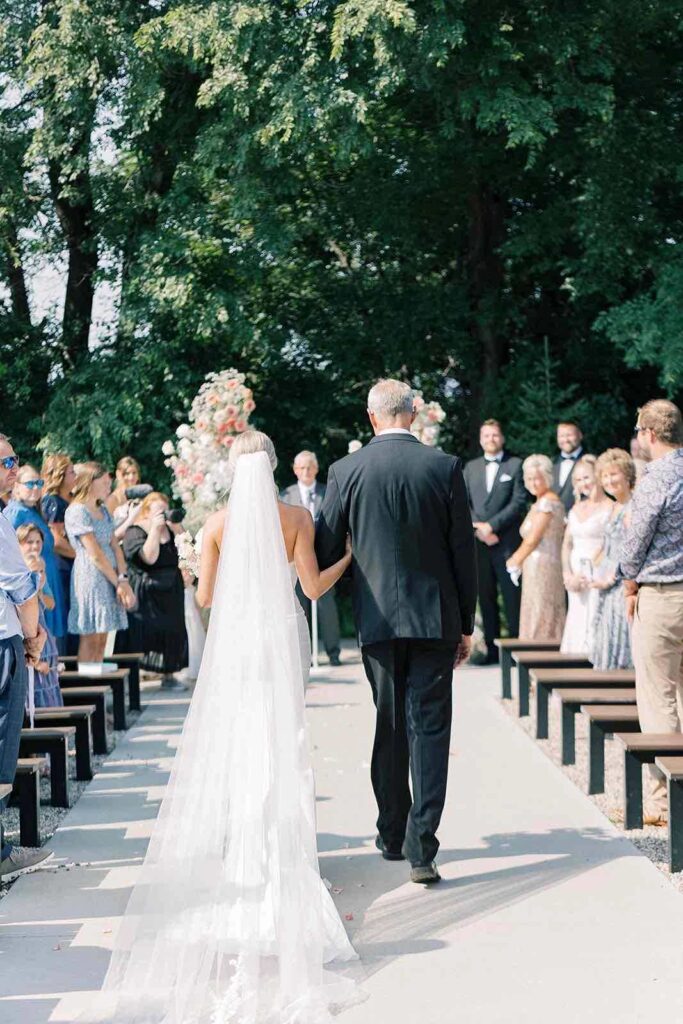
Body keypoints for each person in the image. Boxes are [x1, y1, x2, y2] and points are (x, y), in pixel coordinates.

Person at [85, 430, 359, 1024]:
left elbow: (206, 595)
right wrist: (348, 558)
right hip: (281, 639)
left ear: (235, 470)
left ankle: (244, 858)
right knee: (283, 745)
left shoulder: (214, 525)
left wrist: (203, 570)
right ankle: (288, 860)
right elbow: (311, 588)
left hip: (237, 645)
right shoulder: (294, 519)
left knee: (240, 745)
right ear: (275, 464)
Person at [316, 379, 477, 884]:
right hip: (435, 620)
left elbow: (325, 549)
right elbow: (462, 553)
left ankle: (391, 831)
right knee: (429, 728)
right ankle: (421, 845)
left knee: (389, 723)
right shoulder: (444, 467)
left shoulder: (346, 470)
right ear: (415, 413)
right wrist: (466, 624)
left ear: (371, 418)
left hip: (377, 620)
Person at [619, 399, 683, 825]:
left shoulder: (655, 477)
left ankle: (665, 801)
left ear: (650, 435)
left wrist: (627, 579)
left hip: (661, 595)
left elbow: (636, 537)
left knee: (658, 697)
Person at [0, 433, 51, 879]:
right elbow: (22, 587)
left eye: (14, 460)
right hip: (2, 642)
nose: (14, 468)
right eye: (5, 462)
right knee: (2, 744)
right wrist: (33, 638)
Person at [463, 419, 527, 662]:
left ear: (502, 438)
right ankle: (491, 650)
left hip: (507, 543)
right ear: (481, 439)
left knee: (512, 597)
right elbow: (463, 502)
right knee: (486, 596)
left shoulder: (516, 465)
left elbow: (518, 502)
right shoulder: (470, 468)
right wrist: (479, 528)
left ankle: (515, 652)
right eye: (486, 435)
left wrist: (493, 526)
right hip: (479, 544)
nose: (491, 439)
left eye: (495, 435)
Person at [65, 463, 135, 662]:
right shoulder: (77, 511)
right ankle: (87, 688)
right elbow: (94, 553)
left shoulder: (102, 509)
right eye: (104, 482)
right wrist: (118, 583)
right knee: (91, 636)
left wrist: (123, 578)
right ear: (90, 482)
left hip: (112, 576)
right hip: (91, 577)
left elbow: (115, 545)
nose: (109, 486)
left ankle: (97, 682)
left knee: (103, 636)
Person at [280, 450, 342, 666]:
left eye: (310, 467)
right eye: (302, 467)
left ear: (316, 469)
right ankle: (301, 654)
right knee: (299, 606)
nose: (306, 471)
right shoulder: (285, 496)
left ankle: (333, 653)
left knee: (327, 606)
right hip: (294, 561)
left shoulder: (329, 492)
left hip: (321, 558)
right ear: (295, 470)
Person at [122, 492, 189, 689]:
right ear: (146, 512)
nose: (163, 515)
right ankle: (132, 679)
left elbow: (190, 553)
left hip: (171, 589)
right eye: (158, 511)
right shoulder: (136, 531)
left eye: (164, 510)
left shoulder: (171, 529)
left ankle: (169, 675)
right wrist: (155, 530)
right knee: (143, 633)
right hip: (147, 589)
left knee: (173, 631)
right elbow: (148, 558)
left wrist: (178, 530)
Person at [4, 465, 68, 648]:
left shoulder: (31, 511)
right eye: (30, 483)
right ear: (16, 486)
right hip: (32, 582)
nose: (36, 487)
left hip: (47, 578)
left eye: (39, 483)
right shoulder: (15, 512)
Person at [507, 454, 566, 642]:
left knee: (542, 609)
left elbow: (533, 538)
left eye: (537, 478)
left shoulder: (548, 502)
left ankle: (542, 650)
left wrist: (514, 559)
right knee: (535, 608)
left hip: (544, 565)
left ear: (547, 477)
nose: (532, 482)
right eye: (529, 478)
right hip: (536, 565)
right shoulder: (539, 502)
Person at [588, 449, 635, 669]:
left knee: (619, 642)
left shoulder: (633, 507)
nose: (608, 480)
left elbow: (631, 551)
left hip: (620, 585)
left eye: (613, 474)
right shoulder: (614, 506)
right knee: (604, 641)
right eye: (604, 476)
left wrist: (610, 578)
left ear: (627, 475)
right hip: (604, 585)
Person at [560, 455, 611, 654]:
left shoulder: (610, 507)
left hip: (598, 573)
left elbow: (609, 545)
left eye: (587, 478)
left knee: (594, 619)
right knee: (577, 617)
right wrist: (568, 575)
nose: (583, 483)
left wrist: (590, 571)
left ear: (597, 476)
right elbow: (566, 544)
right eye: (578, 480)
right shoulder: (575, 508)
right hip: (575, 576)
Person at [16, 524, 63, 707]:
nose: (35, 546)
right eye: (29, 542)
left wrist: (40, 590)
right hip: (32, 642)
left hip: (44, 641)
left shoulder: (39, 566)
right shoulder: (19, 576)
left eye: (38, 542)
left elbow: (51, 603)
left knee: (49, 685)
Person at [41, 453, 77, 653]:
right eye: (71, 472)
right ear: (60, 475)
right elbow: (56, 540)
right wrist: (82, 556)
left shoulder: (71, 500)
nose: (76, 476)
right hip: (64, 566)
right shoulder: (53, 502)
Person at [552, 421, 589, 512]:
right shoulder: (551, 463)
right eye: (561, 436)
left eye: (569, 435)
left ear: (580, 435)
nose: (566, 440)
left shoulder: (590, 462)